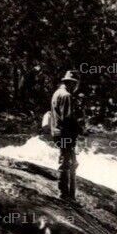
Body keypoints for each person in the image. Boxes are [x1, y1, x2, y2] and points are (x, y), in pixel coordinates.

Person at [47, 71, 84, 204]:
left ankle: (69, 195)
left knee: (69, 161)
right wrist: (79, 129)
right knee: (67, 162)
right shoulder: (66, 95)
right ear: (70, 83)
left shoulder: (56, 93)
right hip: (65, 133)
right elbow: (68, 118)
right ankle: (65, 195)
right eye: (74, 84)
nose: (75, 86)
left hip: (58, 132)